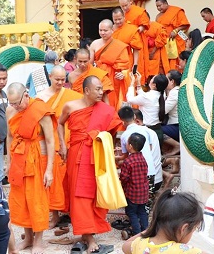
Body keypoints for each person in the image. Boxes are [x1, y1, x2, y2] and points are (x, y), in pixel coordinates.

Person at [57, 75, 122, 253]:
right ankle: (88, 236)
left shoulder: (106, 110)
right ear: (87, 91)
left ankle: (88, 231)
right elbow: (59, 124)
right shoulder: (70, 106)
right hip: (77, 154)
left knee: (95, 192)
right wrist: (63, 145)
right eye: (98, 89)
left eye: (102, 89)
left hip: (97, 156)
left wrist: (108, 148)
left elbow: (112, 132)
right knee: (79, 194)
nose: (102, 92)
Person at [6, 82, 56, 254]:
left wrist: (49, 170)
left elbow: (50, 141)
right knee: (21, 201)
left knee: (37, 201)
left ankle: (38, 240)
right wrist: (8, 162)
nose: (15, 107)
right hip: (18, 160)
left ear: (26, 95)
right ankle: (27, 238)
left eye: (17, 103)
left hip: (36, 160)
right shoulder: (11, 111)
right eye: (11, 103)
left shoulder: (40, 110)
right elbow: (9, 136)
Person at [36, 65, 82, 229]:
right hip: (51, 143)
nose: (61, 83)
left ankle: (71, 211)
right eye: (57, 79)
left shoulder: (71, 96)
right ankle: (54, 214)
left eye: (63, 79)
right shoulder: (41, 97)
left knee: (70, 178)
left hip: (70, 139)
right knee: (53, 180)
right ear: (50, 77)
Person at [122, 188, 204, 254]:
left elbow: (125, 246)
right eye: (193, 230)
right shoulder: (184, 251)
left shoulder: (140, 244)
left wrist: (150, 229)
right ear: (184, 228)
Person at [117, 107, 158, 212]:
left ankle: (135, 224)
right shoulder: (145, 130)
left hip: (135, 174)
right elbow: (149, 148)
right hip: (150, 170)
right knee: (146, 205)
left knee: (133, 204)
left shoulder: (125, 135)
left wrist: (113, 158)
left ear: (122, 121)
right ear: (134, 117)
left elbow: (124, 156)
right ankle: (146, 225)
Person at [89, 19, 131, 110]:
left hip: (114, 78)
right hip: (99, 76)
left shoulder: (119, 45)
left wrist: (123, 73)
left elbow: (126, 65)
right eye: (100, 30)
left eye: (105, 30)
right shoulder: (94, 44)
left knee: (112, 100)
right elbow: (90, 64)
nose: (102, 33)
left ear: (112, 30)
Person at [119, 133, 150, 238]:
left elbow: (124, 178)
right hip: (143, 192)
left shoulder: (128, 161)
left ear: (130, 146)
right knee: (142, 212)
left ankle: (136, 233)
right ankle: (146, 232)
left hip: (132, 193)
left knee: (132, 213)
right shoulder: (143, 159)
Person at [127, 73, 168, 147]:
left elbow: (130, 100)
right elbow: (144, 98)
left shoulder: (147, 96)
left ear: (154, 85)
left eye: (152, 79)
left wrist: (132, 84)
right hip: (158, 131)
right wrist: (138, 83)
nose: (150, 79)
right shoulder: (162, 94)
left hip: (147, 132)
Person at [132, 109, 163, 204]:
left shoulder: (139, 135)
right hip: (157, 179)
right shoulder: (151, 132)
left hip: (148, 181)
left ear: (137, 121)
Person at [155, 0, 190, 70]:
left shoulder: (176, 11)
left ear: (165, 3)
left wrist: (176, 30)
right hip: (164, 42)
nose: (158, 8)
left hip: (176, 39)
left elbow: (185, 24)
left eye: (160, 5)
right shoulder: (158, 16)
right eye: (157, 6)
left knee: (178, 58)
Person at [111, 7, 144, 79]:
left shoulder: (131, 29)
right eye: (115, 20)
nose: (117, 22)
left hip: (126, 61)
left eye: (119, 19)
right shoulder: (109, 30)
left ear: (124, 17)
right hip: (112, 62)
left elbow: (136, 49)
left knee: (127, 83)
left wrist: (135, 64)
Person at [162, 70, 181, 156]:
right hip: (174, 124)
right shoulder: (175, 91)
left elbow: (164, 110)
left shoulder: (174, 93)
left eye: (166, 80)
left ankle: (177, 145)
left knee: (155, 130)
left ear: (172, 82)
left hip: (177, 126)